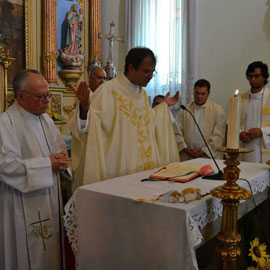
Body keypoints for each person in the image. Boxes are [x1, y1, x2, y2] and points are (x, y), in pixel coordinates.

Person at [69, 47, 180, 191]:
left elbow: (149, 122)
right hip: (119, 171)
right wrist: (84, 109)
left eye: (153, 72)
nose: (150, 76)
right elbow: (90, 125)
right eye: (146, 71)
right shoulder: (108, 90)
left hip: (144, 173)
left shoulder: (142, 94)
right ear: (132, 67)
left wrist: (164, 107)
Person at [0, 70, 70, 270]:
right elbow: (6, 166)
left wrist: (62, 161)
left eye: (47, 95)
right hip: (19, 203)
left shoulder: (46, 120)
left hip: (49, 197)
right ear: (21, 97)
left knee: (51, 248)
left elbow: (59, 149)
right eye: (41, 97)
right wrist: (48, 164)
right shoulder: (6, 123)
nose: (47, 101)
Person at [174, 79, 226, 161]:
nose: (199, 96)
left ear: (208, 93)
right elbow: (176, 131)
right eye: (197, 93)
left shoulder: (218, 110)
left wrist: (204, 150)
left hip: (208, 157)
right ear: (193, 92)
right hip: (187, 155)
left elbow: (218, 136)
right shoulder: (184, 110)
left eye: (203, 94)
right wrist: (184, 147)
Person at [240, 61, 270, 163]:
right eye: (250, 76)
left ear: (264, 77)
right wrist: (240, 133)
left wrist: (262, 131)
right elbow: (231, 123)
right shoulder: (241, 100)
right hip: (245, 148)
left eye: (257, 76)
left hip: (265, 146)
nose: (253, 79)